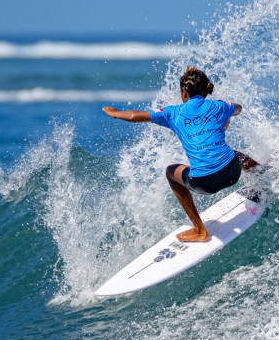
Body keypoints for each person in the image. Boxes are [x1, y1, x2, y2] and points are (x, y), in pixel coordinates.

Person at [103, 66, 260, 242]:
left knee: (171, 172)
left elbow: (134, 116)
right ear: (206, 90)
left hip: (205, 184)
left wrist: (115, 113)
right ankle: (261, 174)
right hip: (233, 172)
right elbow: (238, 107)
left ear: (184, 92)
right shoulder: (220, 106)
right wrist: (228, 117)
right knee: (232, 154)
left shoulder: (173, 113)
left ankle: (200, 230)